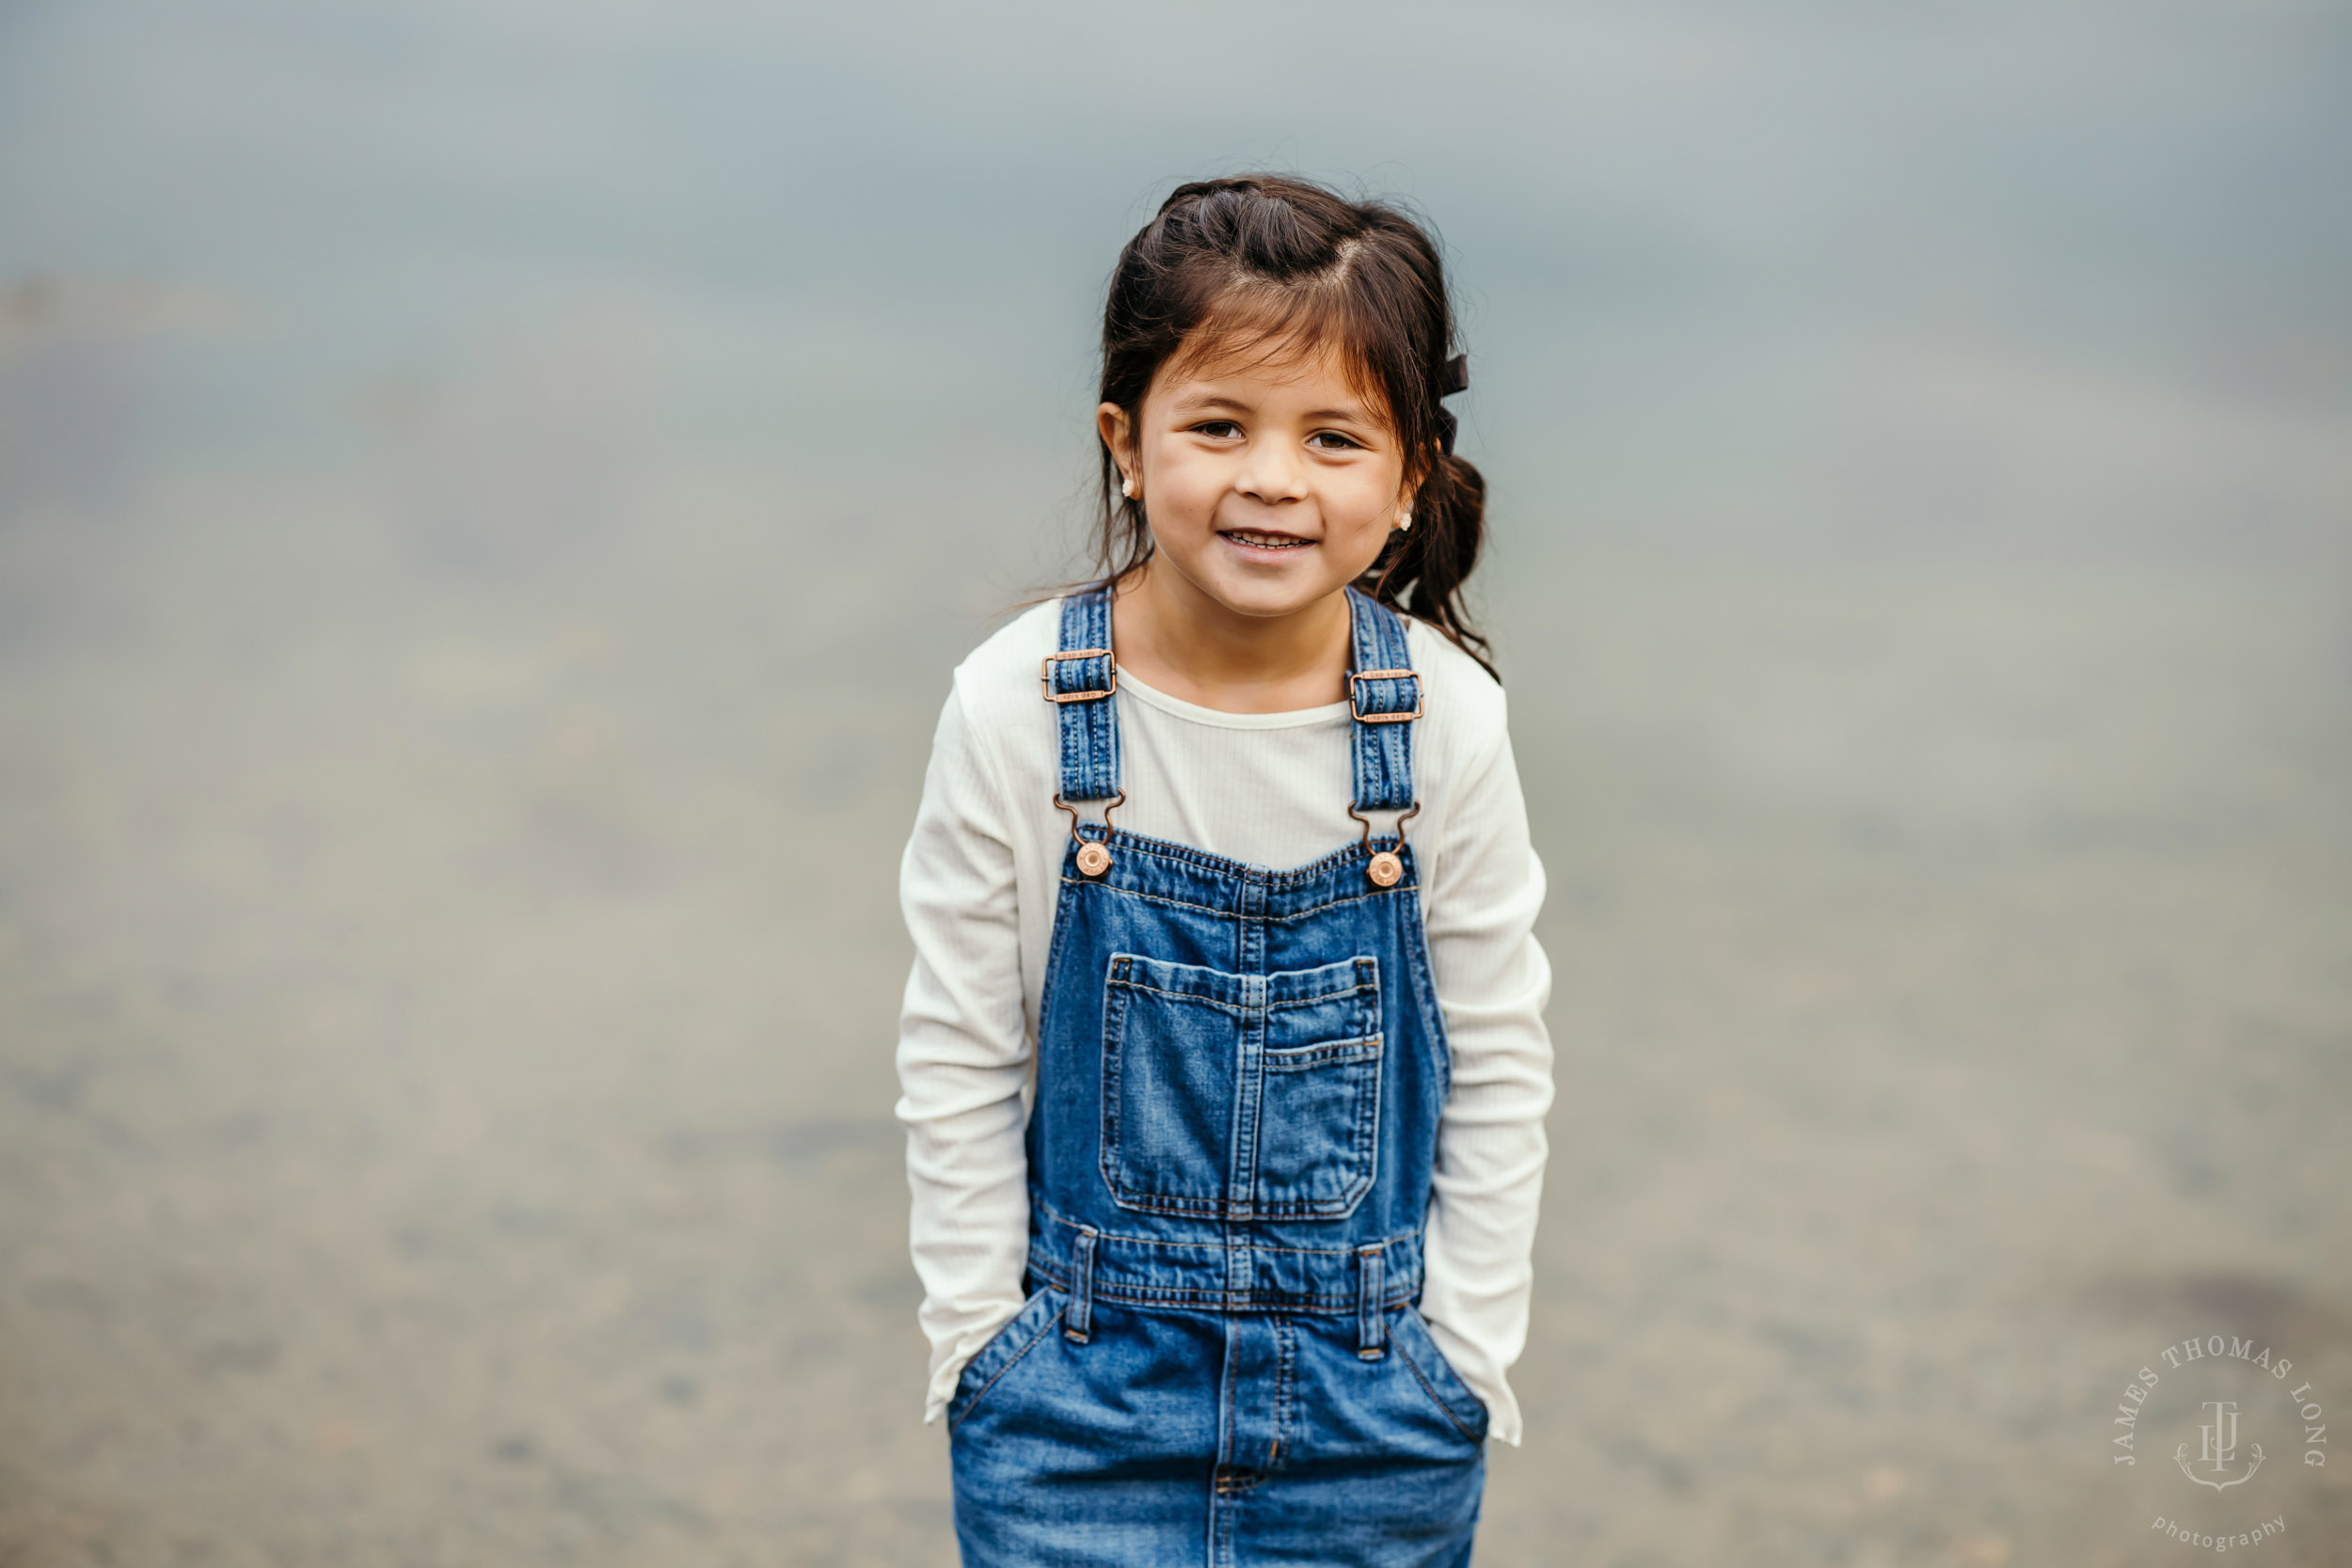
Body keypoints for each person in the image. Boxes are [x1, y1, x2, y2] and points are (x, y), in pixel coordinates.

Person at [893, 174, 1554, 1567]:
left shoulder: (1443, 721)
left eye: (1332, 437)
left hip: (1373, 1418)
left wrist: (1465, 1359)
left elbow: (1497, 1060)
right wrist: (975, 1347)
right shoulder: (1017, 705)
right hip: (1074, 1412)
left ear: (1410, 472)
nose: (1271, 478)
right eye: (1218, 426)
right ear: (1125, 444)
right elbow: (962, 1053)